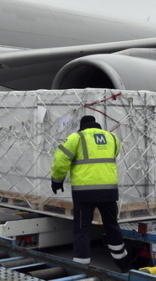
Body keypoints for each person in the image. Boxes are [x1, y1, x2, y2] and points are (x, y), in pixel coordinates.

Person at [50, 115, 130, 270]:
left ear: (82, 125)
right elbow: (113, 155)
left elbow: (61, 160)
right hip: (109, 192)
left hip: (84, 193)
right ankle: (123, 263)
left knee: (82, 229)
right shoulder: (112, 138)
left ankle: (81, 266)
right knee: (112, 225)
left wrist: (57, 180)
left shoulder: (76, 138)